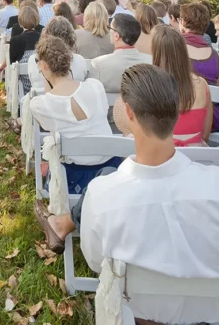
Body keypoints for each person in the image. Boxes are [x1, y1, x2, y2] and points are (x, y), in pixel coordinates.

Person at [80, 64, 219, 325]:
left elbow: (96, 262)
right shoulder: (214, 185)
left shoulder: (101, 196)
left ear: (129, 112)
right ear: (177, 111)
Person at [30, 36, 119, 196]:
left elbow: (48, 126)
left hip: (73, 176)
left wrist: (46, 80)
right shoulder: (95, 86)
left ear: (43, 65)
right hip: (111, 170)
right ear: (69, 61)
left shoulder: (41, 105)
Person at [113, 25, 213, 146]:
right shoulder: (202, 84)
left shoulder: (148, 85)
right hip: (196, 155)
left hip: (158, 157)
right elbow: (205, 135)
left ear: (155, 52)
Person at [88, 13, 150, 118]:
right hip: (144, 119)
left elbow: (92, 100)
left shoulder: (98, 65)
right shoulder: (151, 62)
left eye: (110, 28)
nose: (108, 31)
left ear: (116, 35)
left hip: (108, 123)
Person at [179, 0, 219, 129]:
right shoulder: (214, 55)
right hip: (213, 118)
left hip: (183, 116)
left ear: (183, 22)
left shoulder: (175, 49)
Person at [28, 17, 88, 93]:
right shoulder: (79, 60)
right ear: (70, 36)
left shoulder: (33, 60)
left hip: (42, 103)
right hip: (72, 103)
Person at [8, 4, 42, 83]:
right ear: (36, 20)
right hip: (42, 83)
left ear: (20, 23)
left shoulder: (15, 40)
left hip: (23, 84)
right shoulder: (44, 38)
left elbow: (12, 64)